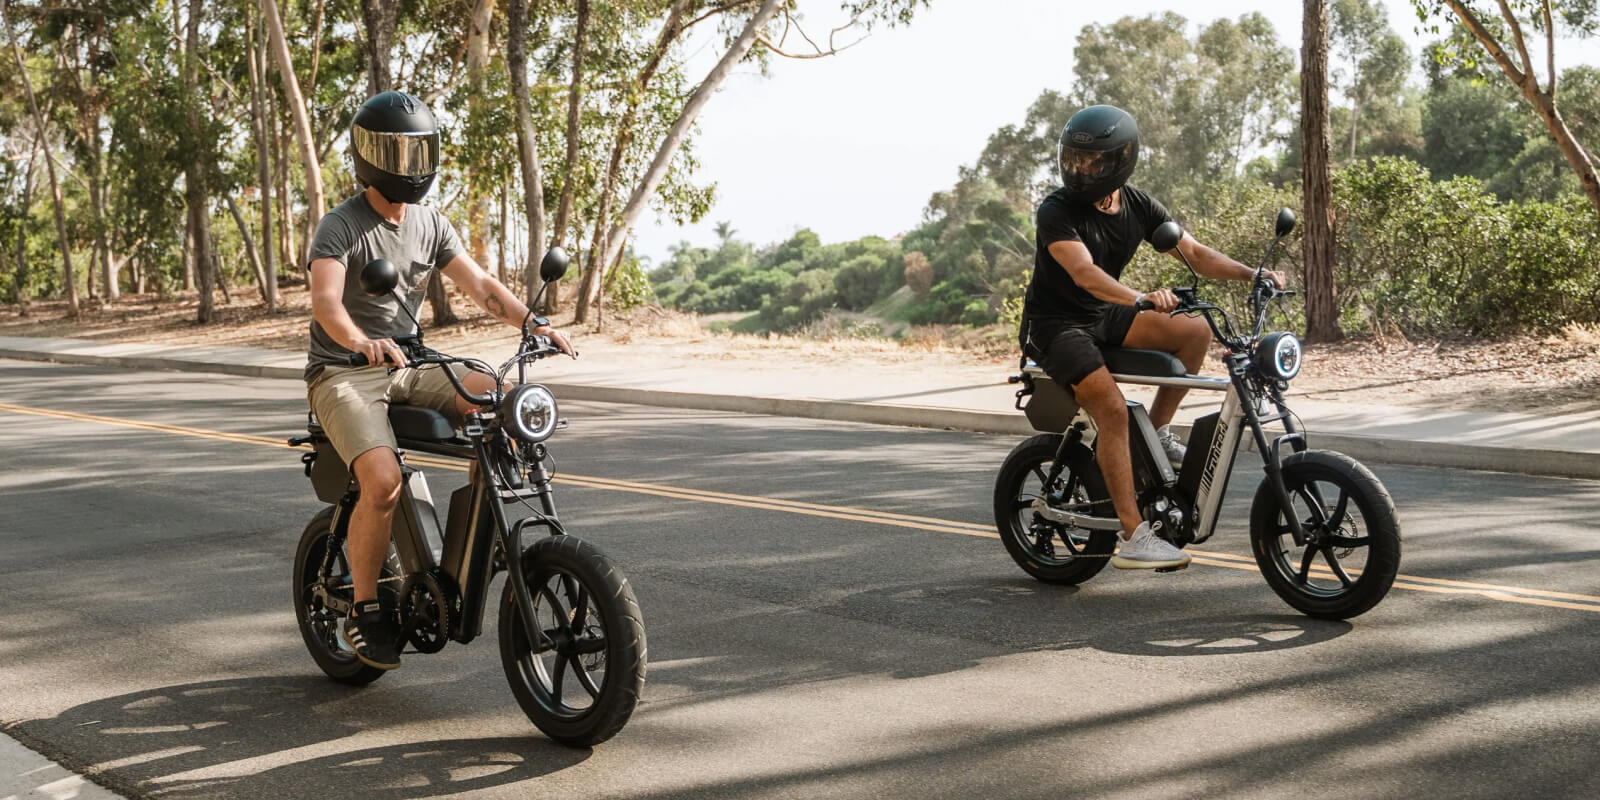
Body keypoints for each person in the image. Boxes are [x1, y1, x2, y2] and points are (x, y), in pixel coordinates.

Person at [304, 90, 574, 669]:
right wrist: (359, 341)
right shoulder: (340, 225)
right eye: (399, 155)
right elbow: (327, 302)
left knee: (503, 403)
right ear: (371, 157)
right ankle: (367, 609)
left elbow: (482, 287)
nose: (412, 167)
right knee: (382, 481)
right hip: (344, 371)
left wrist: (536, 324)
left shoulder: (431, 222)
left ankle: (483, 537)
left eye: (420, 153)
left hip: (410, 362)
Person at [1018, 104, 1284, 571]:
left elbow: (1196, 254)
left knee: (1194, 333)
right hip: (1056, 325)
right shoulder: (1056, 210)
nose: (1080, 170)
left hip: (1105, 314)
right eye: (1074, 160)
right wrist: (1140, 297)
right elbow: (1084, 273)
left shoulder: (1137, 205)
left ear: (1121, 159)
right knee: (1112, 409)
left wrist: (1253, 274)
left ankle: (1158, 434)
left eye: (1092, 162)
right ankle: (1135, 533)